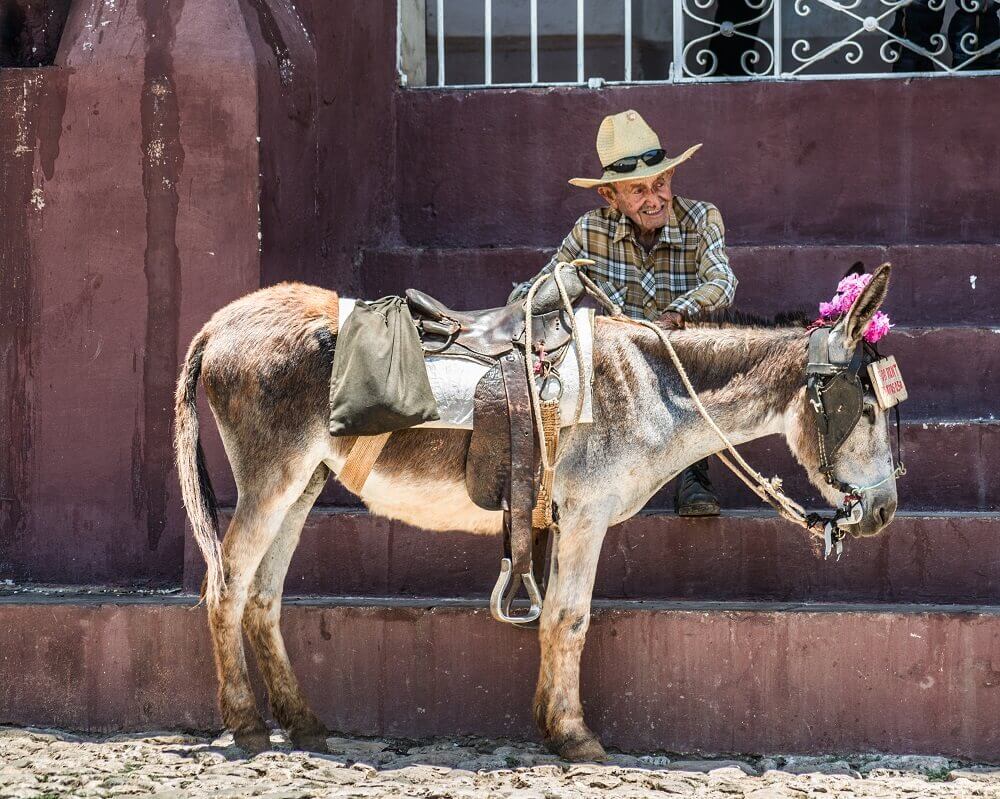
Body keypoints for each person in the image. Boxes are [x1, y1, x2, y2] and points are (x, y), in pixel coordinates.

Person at [510, 109, 737, 517]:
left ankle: (692, 471)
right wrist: (527, 301)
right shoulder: (590, 230)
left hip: (684, 359)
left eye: (661, 183)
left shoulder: (702, 218)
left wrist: (673, 318)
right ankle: (597, 474)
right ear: (609, 196)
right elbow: (541, 286)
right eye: (638, 190)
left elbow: (722, 282)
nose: (655, 199)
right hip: (624, 368)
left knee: (700, 352)